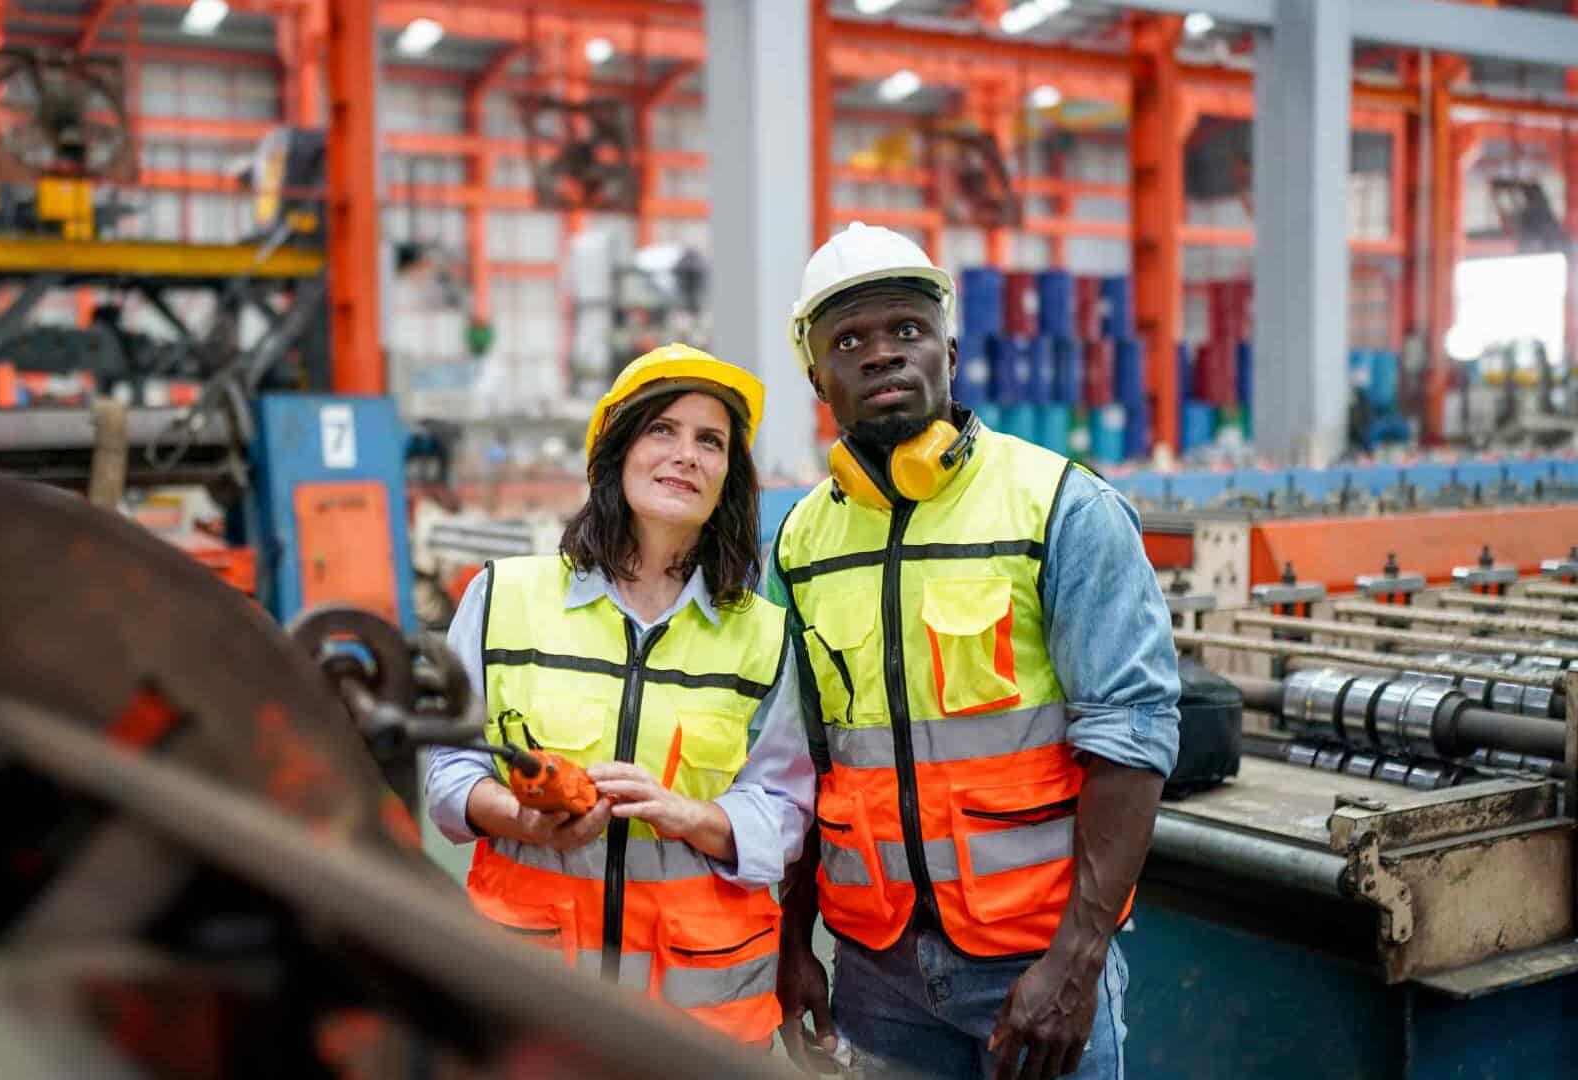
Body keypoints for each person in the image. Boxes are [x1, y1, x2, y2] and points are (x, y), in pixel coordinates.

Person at [767, 223, 1181, 1080]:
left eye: (906, 331)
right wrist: (792, 938)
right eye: (849, 341)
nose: (882, 355)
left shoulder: (1061, 508)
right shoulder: (803, 541)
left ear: (949, 351)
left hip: (1033, 962)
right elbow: (801, 761)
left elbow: (1132, 741)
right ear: (817, 378)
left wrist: (1077, 960)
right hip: (875, 970)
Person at [423, 344, 815, 1045]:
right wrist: (519, 817)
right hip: (534, 994)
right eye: (661, 429)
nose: (685, 454)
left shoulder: (765, 635)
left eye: (710, 441)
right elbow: (450, 769)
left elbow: (785, 810)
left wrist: (689, 815)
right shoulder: (502, 597)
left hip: (696, 1012)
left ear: (729, 475)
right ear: (615, 454)